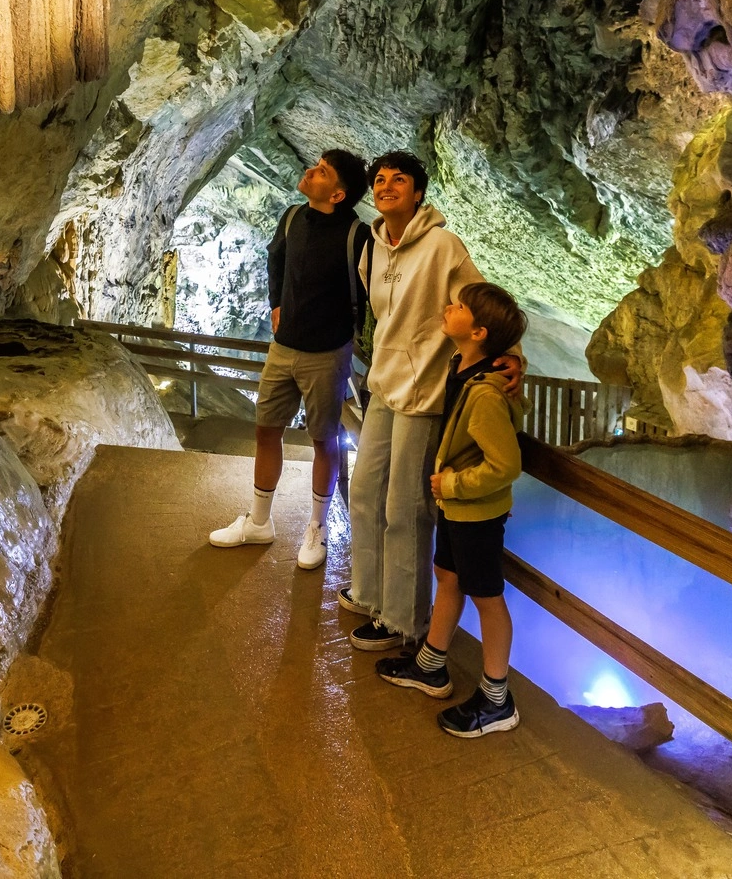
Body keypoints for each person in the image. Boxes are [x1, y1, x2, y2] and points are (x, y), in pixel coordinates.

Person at [342, 151, 520, 652]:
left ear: (418, 193)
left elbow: (482, 302)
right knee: (364, 493)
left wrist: (510, 354)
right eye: (379, 179)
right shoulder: (372, 249)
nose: (386, 186)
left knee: (405, 509)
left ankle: (402, 620)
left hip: (424, 393)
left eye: (399, 180)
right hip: (383, 384)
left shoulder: (443, 246)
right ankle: (371, 591)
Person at [208, 149, 373, 569]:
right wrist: (275, 303)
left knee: (324, 441)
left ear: (337, 194)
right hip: (283, 348)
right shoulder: (293, 217)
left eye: (321, 172)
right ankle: (260, 522)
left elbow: (372, 297)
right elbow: (275, 259)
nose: (310, 172)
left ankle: (316, 529)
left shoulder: (358, 236)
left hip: (327, 355)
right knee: (266, 430)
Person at [376, 282, 527, 737]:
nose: (448, 307)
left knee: (488, 598)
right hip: (458, 508)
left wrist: (455, 484)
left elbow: (506, 465)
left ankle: (498, 699)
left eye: (458, 307)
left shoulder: (484, 393)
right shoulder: (460, 366)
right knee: (449, 577)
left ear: (478, 331)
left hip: (476, 511)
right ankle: (431, 664)